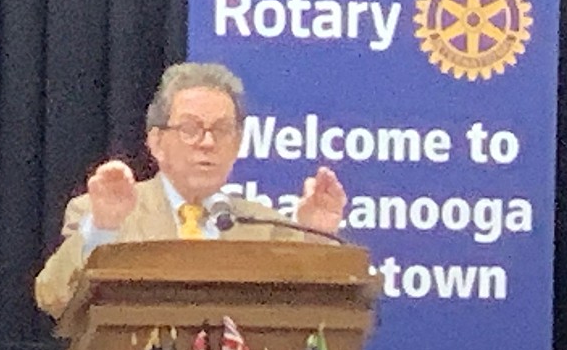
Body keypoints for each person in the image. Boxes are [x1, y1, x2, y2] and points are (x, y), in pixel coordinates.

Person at [35, 62, 347, 317]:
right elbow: (54, 298)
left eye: (222, 130)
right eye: (191, 129)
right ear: (156, 142)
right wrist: (103, 231)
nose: (208, 143)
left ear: (238, 144)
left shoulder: (266, 227)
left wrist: (317, 238)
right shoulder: (99, 212)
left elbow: (315, 317)